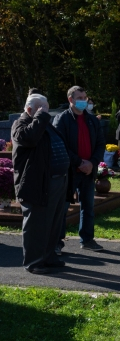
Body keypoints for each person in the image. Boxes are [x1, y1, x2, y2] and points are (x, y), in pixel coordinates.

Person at [12, 94, 71, 274]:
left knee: (53, 223)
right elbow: (29, 138)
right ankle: (34, 262)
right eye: (42, 109)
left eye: (46, 109)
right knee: (36, 224)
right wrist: (41, 117)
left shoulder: (43, 124)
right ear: (30, 110)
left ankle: (49, 257)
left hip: (57, 181)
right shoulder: (20, 125)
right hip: (37, 184)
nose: (47, 112)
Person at [53, 86, 106, 252]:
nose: (84, 100)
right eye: (79, 97)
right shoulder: (62, 120)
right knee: (62, 208)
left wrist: (91, 163)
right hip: (69, 172)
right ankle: (56, 243)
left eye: (85, 97)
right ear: (70, 99)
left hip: (88, 172)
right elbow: (60, 146)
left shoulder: (92, 120)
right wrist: (79, 163)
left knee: (88, 207)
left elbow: (100, 144)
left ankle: (87, 240)